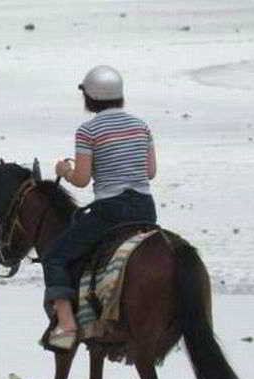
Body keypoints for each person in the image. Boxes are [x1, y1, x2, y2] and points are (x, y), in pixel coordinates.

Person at [43, 65, 157, 350]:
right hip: (145, 209)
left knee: (55, 256)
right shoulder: (141, 125)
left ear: (90, 97)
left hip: (111, 211)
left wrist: (64, 170)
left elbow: (81, 180)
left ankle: (67, 322)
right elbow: (151, 172)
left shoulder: (88, 130)